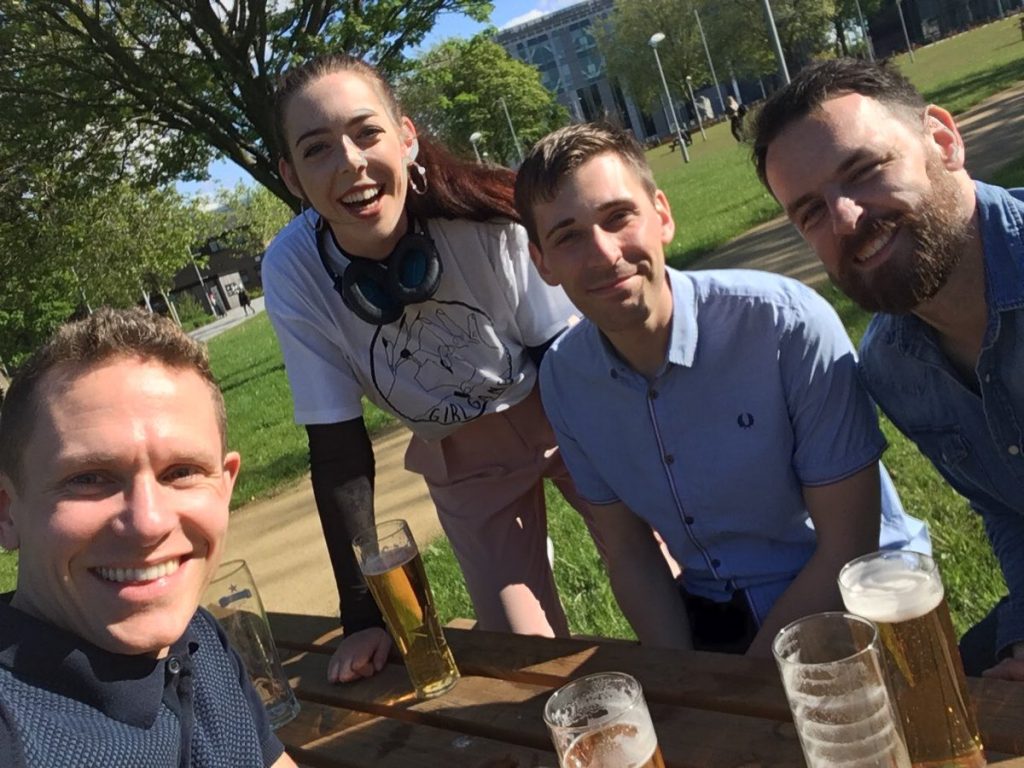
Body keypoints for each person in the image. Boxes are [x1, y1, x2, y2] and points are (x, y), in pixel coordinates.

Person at [513, 122, 930, 657]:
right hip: (719, 616)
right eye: (568, 236)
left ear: (661, 215)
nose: (603, 253)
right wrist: (688, 683)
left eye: (618, 217)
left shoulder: (784, 325)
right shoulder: (566, 380)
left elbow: (849, 545)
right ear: (541, 262)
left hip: (863, 599)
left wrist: (741, 687)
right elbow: (630, 554)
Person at [262, 53, 613, 685]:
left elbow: (564, 356)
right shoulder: (292, 271)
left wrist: (620, 488)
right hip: (460, 457)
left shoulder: (485, 213)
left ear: (406, 135)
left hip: (564, 408)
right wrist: (362, 610)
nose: (349, 163)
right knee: (522, 657)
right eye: (316, 150)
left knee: (664, 573)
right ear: (290, 176)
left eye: (366, 132)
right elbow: (337, 446)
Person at [751, 57, 1024, 681]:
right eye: (812, 212)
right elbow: (1009, 510)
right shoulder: (890, 366)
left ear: (944, 141)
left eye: (864, 170)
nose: (846, 218)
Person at [0, 308, 295, 767]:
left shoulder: (198, 637)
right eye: (89, 478)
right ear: (6, 510)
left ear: (224, 484)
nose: (149, 522)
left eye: (181, 472)